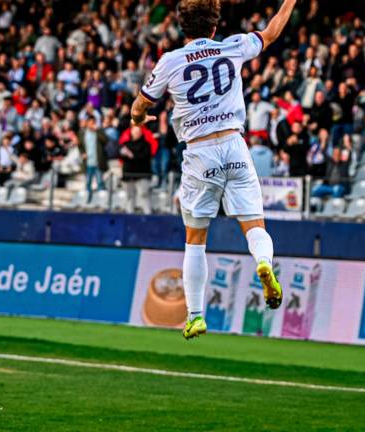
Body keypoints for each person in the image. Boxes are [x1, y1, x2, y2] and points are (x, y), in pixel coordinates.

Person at [129, 0, 295, 339]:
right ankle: (263, 262)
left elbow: (142, 103)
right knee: (253, 224)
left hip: (200, 152)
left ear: (182, 27)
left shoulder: (170, 61)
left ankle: (195, 315)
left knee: (195, 239)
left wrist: (136, 118)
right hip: (235, 144)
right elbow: (273, 31)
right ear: (215, 27)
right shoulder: (232, 46)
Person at [120, 126, 152, 214]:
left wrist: (131, 155)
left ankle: (148, 214)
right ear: (131, 133)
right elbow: (121, 156)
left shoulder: (146, 144)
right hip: (128, 175)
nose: (136, 133)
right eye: (135, 132)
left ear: (141, 133)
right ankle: (129, 215)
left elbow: (145, 157)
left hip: (142, 175)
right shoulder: (126, 144)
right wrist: (127, 154)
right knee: (129, 196)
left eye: (138, 132)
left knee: (144, 195)